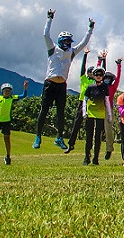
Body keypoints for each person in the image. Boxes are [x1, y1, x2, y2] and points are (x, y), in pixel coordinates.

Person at [34, 9, 94, 150]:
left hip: (62, 85)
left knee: (60, 112)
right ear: (61, 40)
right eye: (65, 40)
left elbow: (83, 43)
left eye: (69, 41)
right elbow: (45, 34)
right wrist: (50, 19)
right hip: (50, 83)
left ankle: (59, 137)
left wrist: (90, 29)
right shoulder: (53, 49)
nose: (68, 43)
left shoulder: (71, 52)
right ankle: (38, 136)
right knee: (44, 110)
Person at [65, 48, 102, 154]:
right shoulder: (84, 79)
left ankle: (89, 149)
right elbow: (83, 67)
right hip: (82, 103)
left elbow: (101, 69)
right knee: (76, 124)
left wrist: (102, 59)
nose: (91, 73)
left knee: (89, 128)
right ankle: (71, 144)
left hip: (92, 104)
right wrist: (85, 55)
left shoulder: (96, 82)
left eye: (92, 72)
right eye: (90, 72)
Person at [0, 80, 28, 165]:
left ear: (11, 92)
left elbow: (23, 95)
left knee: (7, 139)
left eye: (9, 90)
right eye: (5, 90)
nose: (7, 92)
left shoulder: (12, 98)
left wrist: (25, 88)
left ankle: (8, 156)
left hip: (7, 121)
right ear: (2, 91)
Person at [82, 65, 110, 165]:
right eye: (96, 74)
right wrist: (84, 112)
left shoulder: (105, 87)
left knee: (98, 137)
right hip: (90, 114)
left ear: (103, 76)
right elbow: (85, 100)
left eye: (100, 74)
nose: (98, 76)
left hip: (100, 114)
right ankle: (86, 157)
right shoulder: (90, 87)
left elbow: (107, 101)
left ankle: (96, 158)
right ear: (93, 75)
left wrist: (109, 114)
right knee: (89, 136)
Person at [99, 49, 122, 161]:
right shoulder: (99, 85)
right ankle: (95, 150)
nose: (107, 80)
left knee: (108, 131)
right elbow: (98, 72)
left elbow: (118, 77)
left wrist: (119, 65)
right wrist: (102, 60)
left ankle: (109, 149)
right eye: (105, 78)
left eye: (109, 78)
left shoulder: (113, 87)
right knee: (97, 131)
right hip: (98, 109)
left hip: (108, 111)